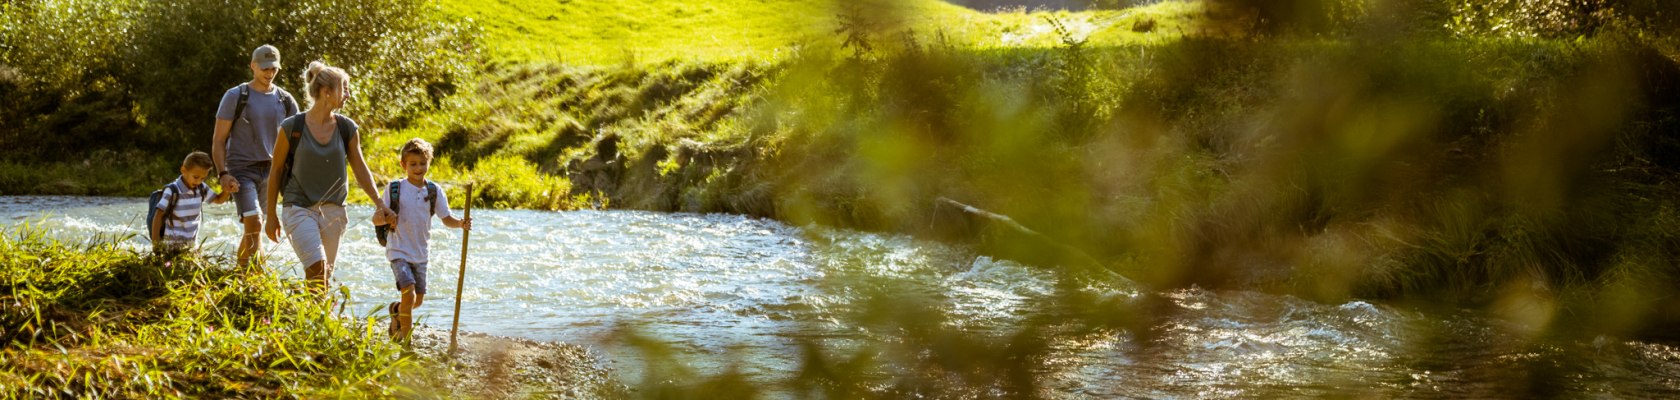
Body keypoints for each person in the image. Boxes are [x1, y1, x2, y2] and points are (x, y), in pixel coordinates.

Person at [263, 61, 391, 291]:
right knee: (317, 269)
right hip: (298, 207)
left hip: (334, 211)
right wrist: (270, 215)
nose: (348, 95)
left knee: (323, 277)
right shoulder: (291, 127)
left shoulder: (346, 128)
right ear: (326, 91)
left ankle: (315, 321)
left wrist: (379, 203)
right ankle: (317, 319)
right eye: (345, 88)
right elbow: (276, 171)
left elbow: (360, 169)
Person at [372, 138, 471, 340]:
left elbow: (446, 218)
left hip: (420, 253)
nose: (418, 168)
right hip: (398, 250)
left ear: (429, 163)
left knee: (416, 301)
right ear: (403, 165)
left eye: (422, 163)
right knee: (408, 291)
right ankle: (406, 341)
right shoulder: (394, 189)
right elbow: (376, 218)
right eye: (413, 164)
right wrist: (385, 218)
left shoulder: (434, 191)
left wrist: (460, 223)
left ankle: (396, 310)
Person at [212, 44, 300, 268]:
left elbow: (298, 142)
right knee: (255, 221)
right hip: (241, 169)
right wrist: (223, 174)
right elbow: (219, 140)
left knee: (256, 228)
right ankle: (243, 280)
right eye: (264, 68)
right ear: (252, 66)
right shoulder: (235, 96)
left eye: (273, 68)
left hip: (272, 172)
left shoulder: (286, 100)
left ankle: (251, 279)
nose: (269, 73)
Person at [150, 151, 232, 252]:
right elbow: (158, 216)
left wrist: (228, 189)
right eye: (196, 177)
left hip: (190, 248)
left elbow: (219, 200)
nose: (198, 181)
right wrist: (156, 245)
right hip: (170, 249)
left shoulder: (201, 188)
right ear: (183, 170)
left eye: (202, 178)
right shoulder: (172, 191)